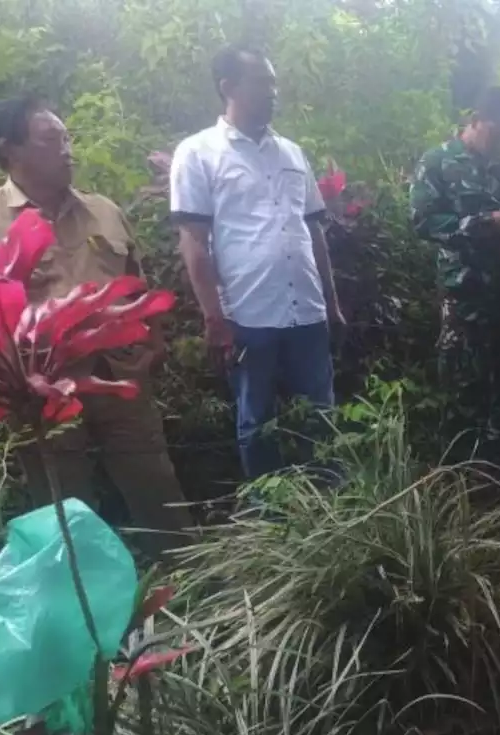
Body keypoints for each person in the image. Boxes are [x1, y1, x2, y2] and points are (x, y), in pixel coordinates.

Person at [0, 96, 191, 557]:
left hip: (120, 378)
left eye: (67, 138)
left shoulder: (103, 210)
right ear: (11, 150)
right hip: (40, 394)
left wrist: (154, 343)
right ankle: (88, 602)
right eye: (51, 139)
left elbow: (139, 286)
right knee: (65, 506)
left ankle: (190, 585)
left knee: (156, 487)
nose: (67, 149)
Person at [170, 45, 344, 481]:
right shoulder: (198, 153)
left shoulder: (292, 153)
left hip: (306, 308)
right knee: (256, 420)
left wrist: (332, 301)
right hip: (247, 313)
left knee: (320, 415)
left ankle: (334, 509)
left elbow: (314, 231)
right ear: (229, 87)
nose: (273, 91)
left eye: (274, 82)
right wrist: (214, 317)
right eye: (262, 82)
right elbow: (194, 241)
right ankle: (270, 517)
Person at [409, 86, 500, 473]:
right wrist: (481, 224)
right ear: (475, 120)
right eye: (496, 132)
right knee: (464, 391)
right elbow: (423, 221)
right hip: (466, 299)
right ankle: (461, 481)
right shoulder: (437, 163)